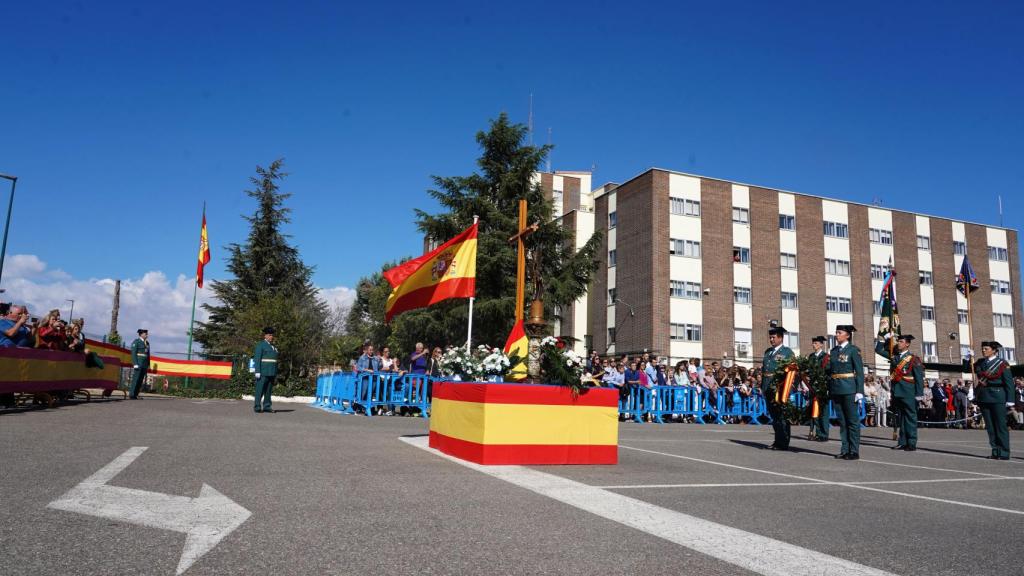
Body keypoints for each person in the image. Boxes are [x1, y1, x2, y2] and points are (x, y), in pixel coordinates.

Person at [963, 341, 1014, 460]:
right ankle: (995, 451)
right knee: (990, 427)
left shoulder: (1002, 364)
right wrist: (967, 357)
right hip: (984, 397)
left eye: (986, 348)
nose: (983, 350)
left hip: (997, 396)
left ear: (994, 350)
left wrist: (1010, 399)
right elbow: (966, 369)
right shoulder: (981, 362)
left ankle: (1004, 452)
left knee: (1000, 426)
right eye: (983, 349)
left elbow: (1009, 383)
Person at [875, 334, 924, 451]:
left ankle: (911, 442)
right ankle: (902, 442)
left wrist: (919, 394)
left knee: (910, 418)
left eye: (901, 341)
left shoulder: (913, 359)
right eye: (898, 341)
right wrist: (885, 338)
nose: (898, 343)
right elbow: (878, 350)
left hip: (909, 392)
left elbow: (919, 378)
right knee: (901, 418)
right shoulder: (895, 357)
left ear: (907, 344)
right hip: (897, 392)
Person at [828, 325, 864, 460]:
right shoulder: (834, 351)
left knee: (852, 421)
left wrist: (859, 391)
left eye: (839, 332)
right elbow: (830, 370)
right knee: (842, 421)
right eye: (836, 332)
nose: (836, 335)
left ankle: (854, 451)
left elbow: (859, 372)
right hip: (837, 388)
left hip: (849, 389)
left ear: (847, 335)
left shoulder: (853, 350)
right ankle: (845, 449)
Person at [762, 326, 795, 450]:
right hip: (768, 387)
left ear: (780, 338)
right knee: (774, 417)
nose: (771, 339)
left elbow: (792, 372)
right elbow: (764, 371)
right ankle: (777, 441)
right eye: (770, 337)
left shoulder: (787, 352)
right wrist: (763, 387)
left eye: (774, 337)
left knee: (782, 416)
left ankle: (784, 442)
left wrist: (788, 387)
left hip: (780, 388)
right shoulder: (768, 352)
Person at [806, 336, 830, 441]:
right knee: (814, 409)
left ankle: (823, 434)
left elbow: (828, 372)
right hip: (812, 387)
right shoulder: (811, 356)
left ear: (821, 344)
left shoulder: (826, 357)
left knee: (823, 411)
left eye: (816, 343)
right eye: (813, 343)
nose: (813, 345)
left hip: (822, 387)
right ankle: (815, 432)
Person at [252, 327, 279, 413]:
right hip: (263, 372)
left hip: (271, 372)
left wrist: (275, 372)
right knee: (259, 390)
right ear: (265, 335)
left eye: (272, 335)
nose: (271, 337)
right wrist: (257, 371)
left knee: (268, 391)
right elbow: (257, 359)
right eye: (270, 335)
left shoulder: (273, 347)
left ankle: (267, 406)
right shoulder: (261, 345)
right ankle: (257, 407)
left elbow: (274, 361)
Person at [129, 328, 151, 400]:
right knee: (136, 379)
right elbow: (133, 353)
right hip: (138, 362)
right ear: (141, 334)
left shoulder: (147, 343)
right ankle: (132, 394)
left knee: (140, 379)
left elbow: (148, 354)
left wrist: (148, 364)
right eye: (145, 334)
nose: (147, 335)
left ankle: (136, 394)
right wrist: (135, 363)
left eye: (147, 334)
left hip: (144, 364)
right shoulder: (136, 342)